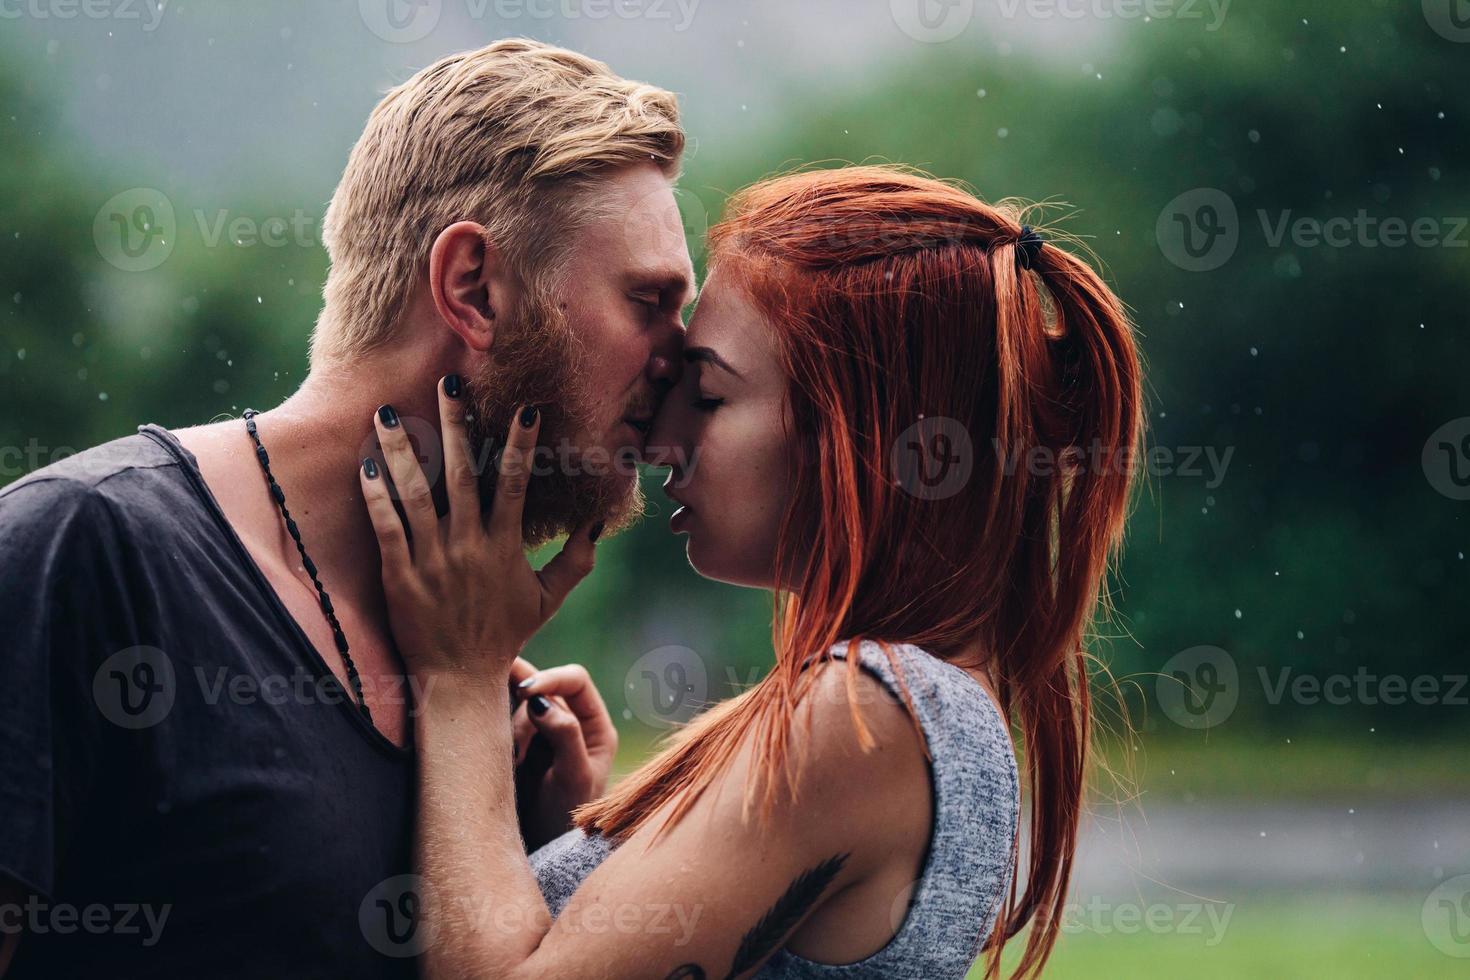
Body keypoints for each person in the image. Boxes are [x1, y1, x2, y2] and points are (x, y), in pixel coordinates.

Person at [0, 39, 691, 978]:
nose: (681, 361)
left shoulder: (482, 689)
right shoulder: (81, 551)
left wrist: (541, 851)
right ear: (474, 290)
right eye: (650, 301)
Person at [364, 165, 1145, 979]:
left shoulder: (866, 713)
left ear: (860, 436)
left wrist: (458, 674)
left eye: (706, 395)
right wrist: (574, 837)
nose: (661, 437)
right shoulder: (932, 712)